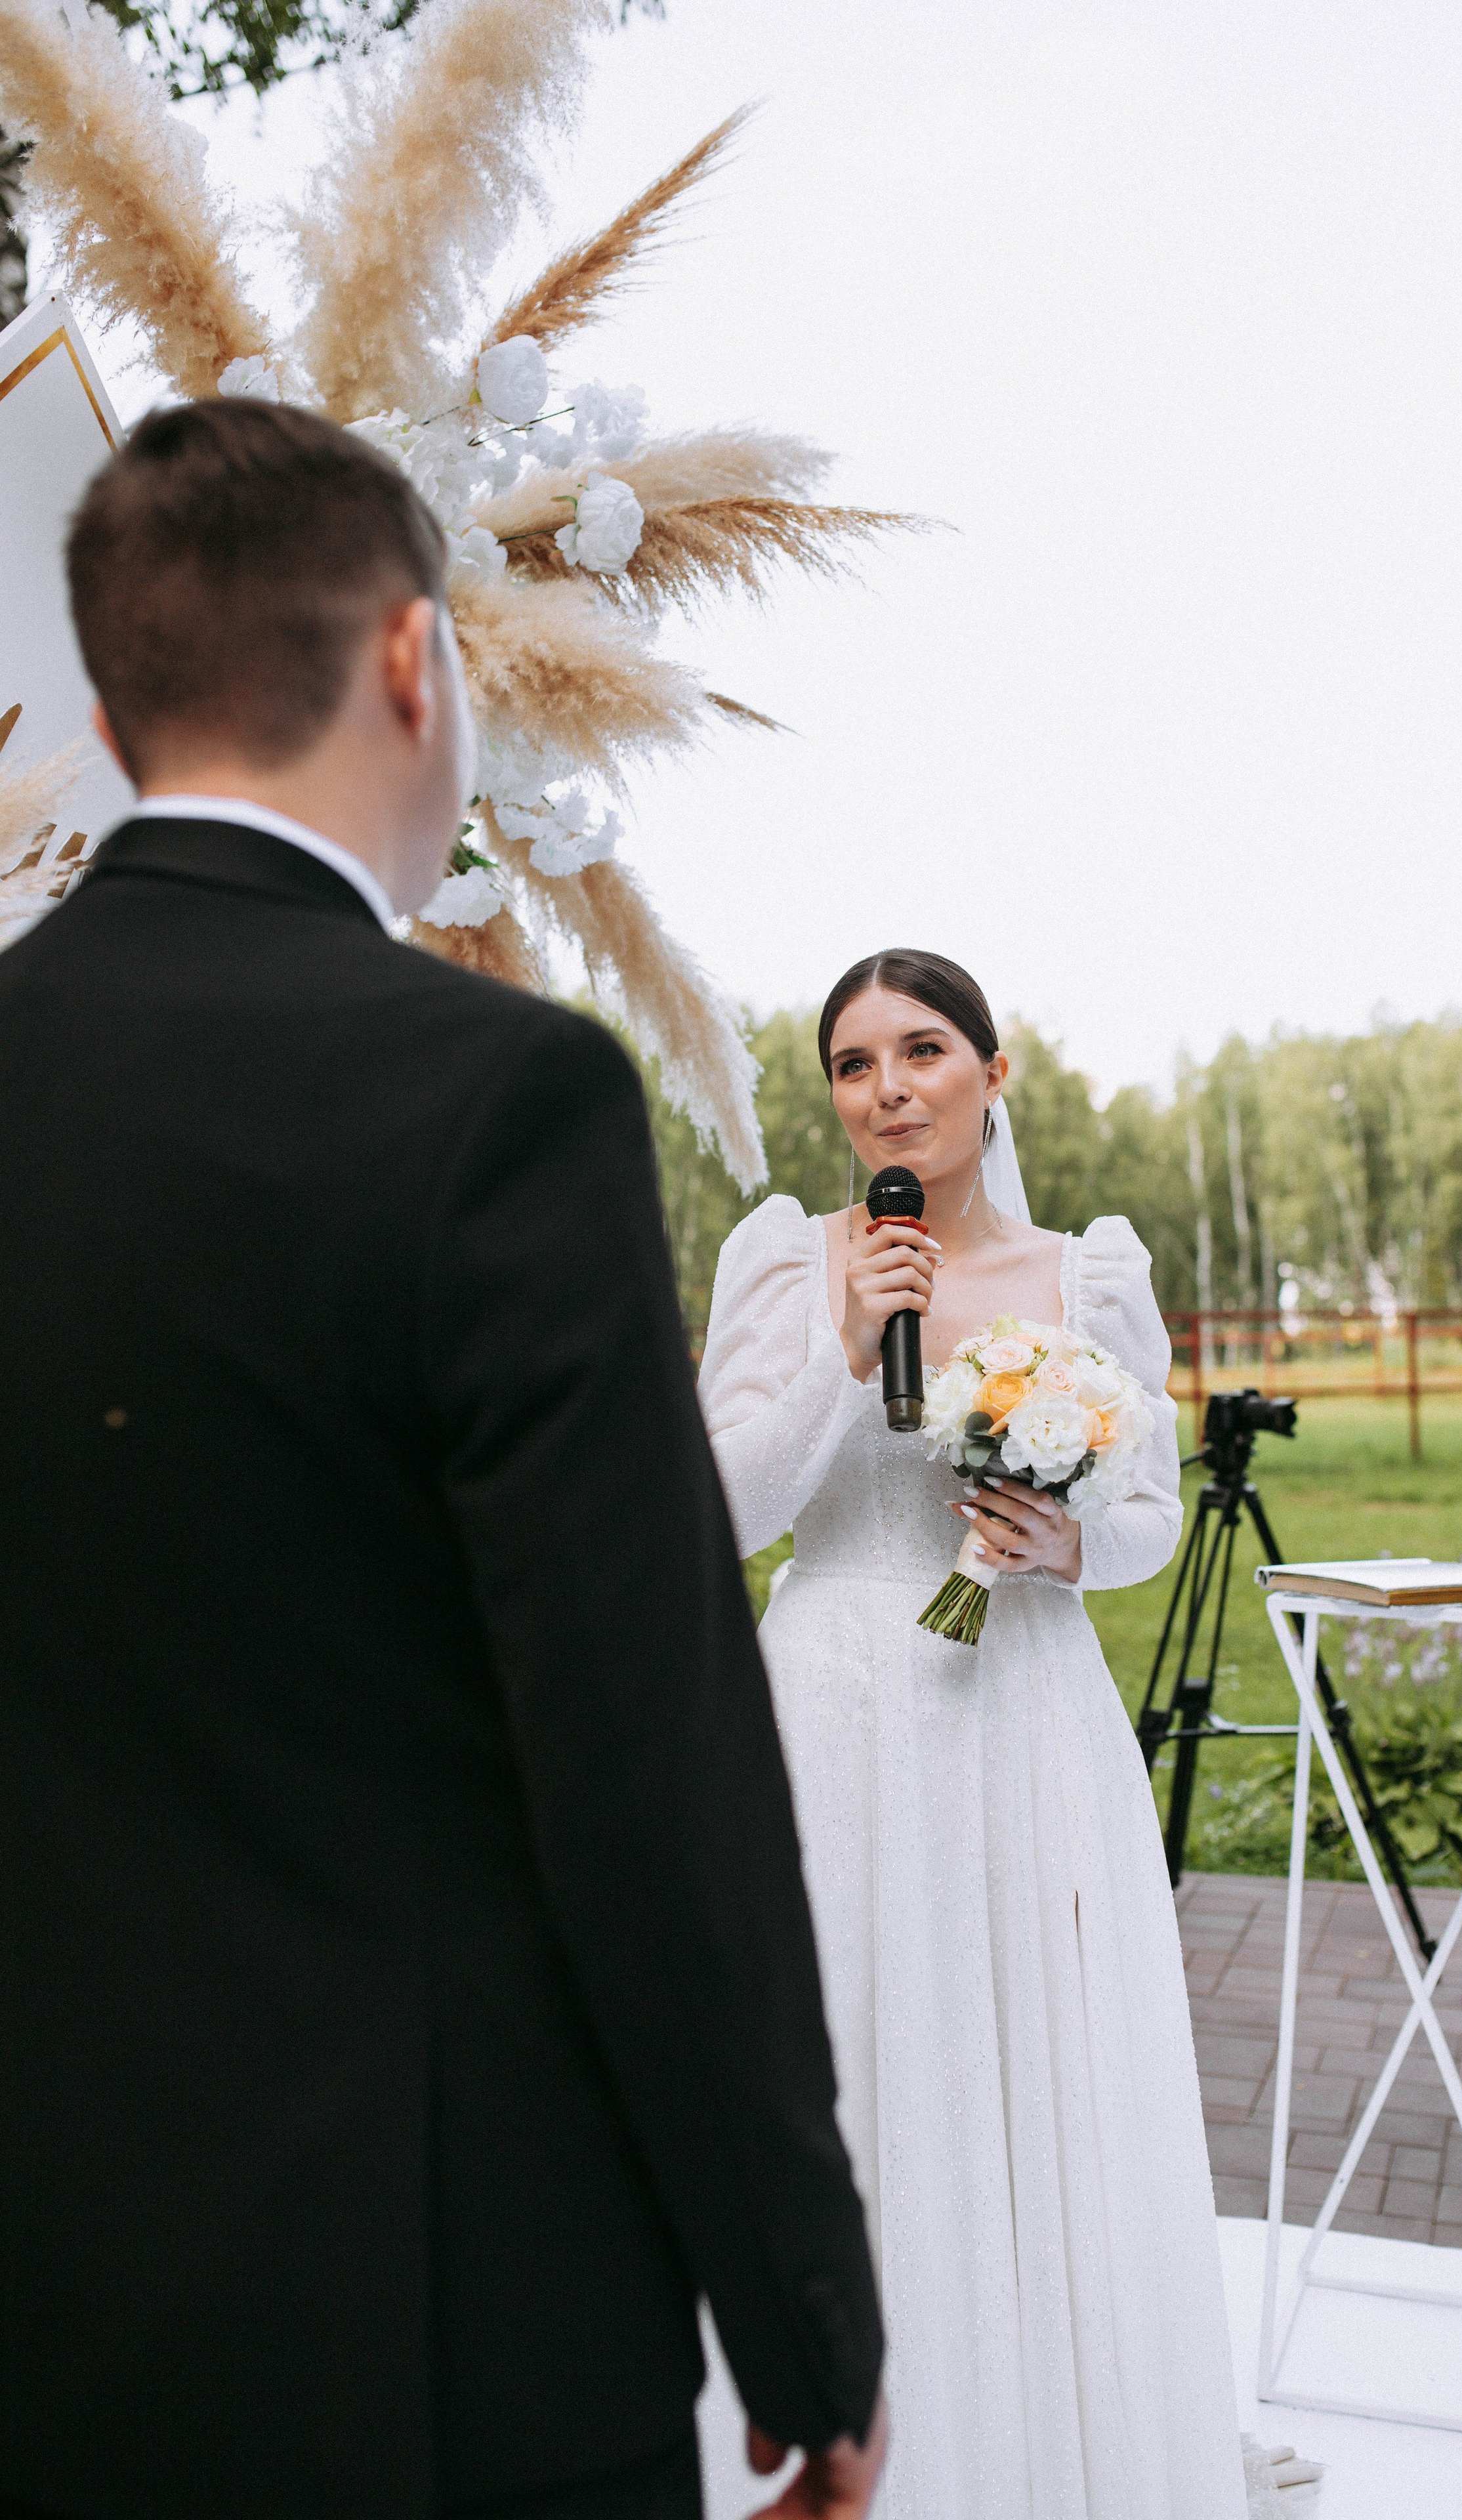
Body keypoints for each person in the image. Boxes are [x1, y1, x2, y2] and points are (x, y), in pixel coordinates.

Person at [0, 398, 885, 2520]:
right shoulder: (496, 1104)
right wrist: (800, 2314)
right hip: (422, 2328)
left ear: (113, 724)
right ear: (417, 664)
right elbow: (644, 1761)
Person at [695, 951, 1268, 2520]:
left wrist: (1063, 1547)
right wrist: (839, 1341)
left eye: (922, 1050)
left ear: (992, 1073)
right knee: (844, 2061)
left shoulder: (1084, 1278)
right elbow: (721, 1510)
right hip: (829, 1707)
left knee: (1030, 2062)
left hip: (1022, 1712)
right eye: (853, 1063)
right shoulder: (791, 1259)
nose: (886, 1088)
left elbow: (1145, 1512)